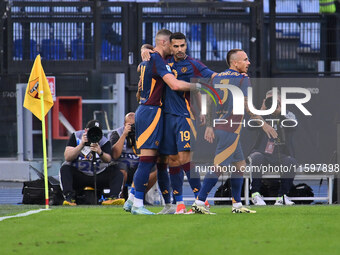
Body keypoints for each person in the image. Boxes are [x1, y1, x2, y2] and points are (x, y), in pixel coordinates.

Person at [192, 49, 277, 214]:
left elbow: (209, 99)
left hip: (221, 126)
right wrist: (264, 125)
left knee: (240, 165)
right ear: (235, 63)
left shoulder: (217, 77)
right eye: (245, 59)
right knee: (218, 167)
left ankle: (237, 205)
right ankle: (199, 202)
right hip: (230, 128)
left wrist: (210, 124)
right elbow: (247, 106)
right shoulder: (243, 79)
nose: (249, 62)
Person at [125, 29, 195, 215]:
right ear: (165, 43)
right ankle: (137, 204)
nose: (176, 48)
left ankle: (133, 200)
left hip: (150, 110)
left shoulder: (147, 58)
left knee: (154, 159)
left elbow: (141, 77)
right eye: (172, 44)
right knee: (146, 160)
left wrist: (144, 48)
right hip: (151, 111)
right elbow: (174, 84)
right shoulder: (157, 59)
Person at [159, 32, 217, 214]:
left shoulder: (192, 64)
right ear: (169, 46)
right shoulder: (162, 62)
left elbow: (212, 77)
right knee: (172, 160)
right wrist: (145, 51)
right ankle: (179, 204)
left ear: (187, 45)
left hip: (184, 116)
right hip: (166, 118)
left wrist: (202, 113)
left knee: (185, 159)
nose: (179, 50)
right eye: (175, 46)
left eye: (182, 45)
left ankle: (201, 200)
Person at [59, 120, 124, 206]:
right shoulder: (76, 136)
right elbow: (67, 157)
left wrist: (100, 152)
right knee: (65, 168)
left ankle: (113, 197)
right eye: (91, 132)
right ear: (86, 130)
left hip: (98, 174)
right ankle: (69, 197)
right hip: (80, 174)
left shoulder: (104, 141)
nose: (93, 135)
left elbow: (108, 159)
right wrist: (81, 145)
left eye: (97, 132)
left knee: (116, 170)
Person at [249, 90, 297, 206]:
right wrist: (262, 110)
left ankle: (282, 196)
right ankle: (255, 194)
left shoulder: (288, 114)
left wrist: (281, 112)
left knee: (291, 162)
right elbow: (250, 125)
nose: (273, 103)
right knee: (256, 158)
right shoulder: (259, 115)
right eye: (270, 100)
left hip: (281, 153)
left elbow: (294, 125)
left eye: (276, 100)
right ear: (264, 101)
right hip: (262, 152)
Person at [109, 112, 157, 201]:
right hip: (123, 167)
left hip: (138, 166)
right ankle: (122, 194)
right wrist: (124, 135)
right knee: (120, 168)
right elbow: (115, 155)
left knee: (153, 169)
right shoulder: (117, 133)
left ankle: (140, 195)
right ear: (124, 124)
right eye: (130, 125)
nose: (133, 127)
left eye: (135, 125)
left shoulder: (144, 133)